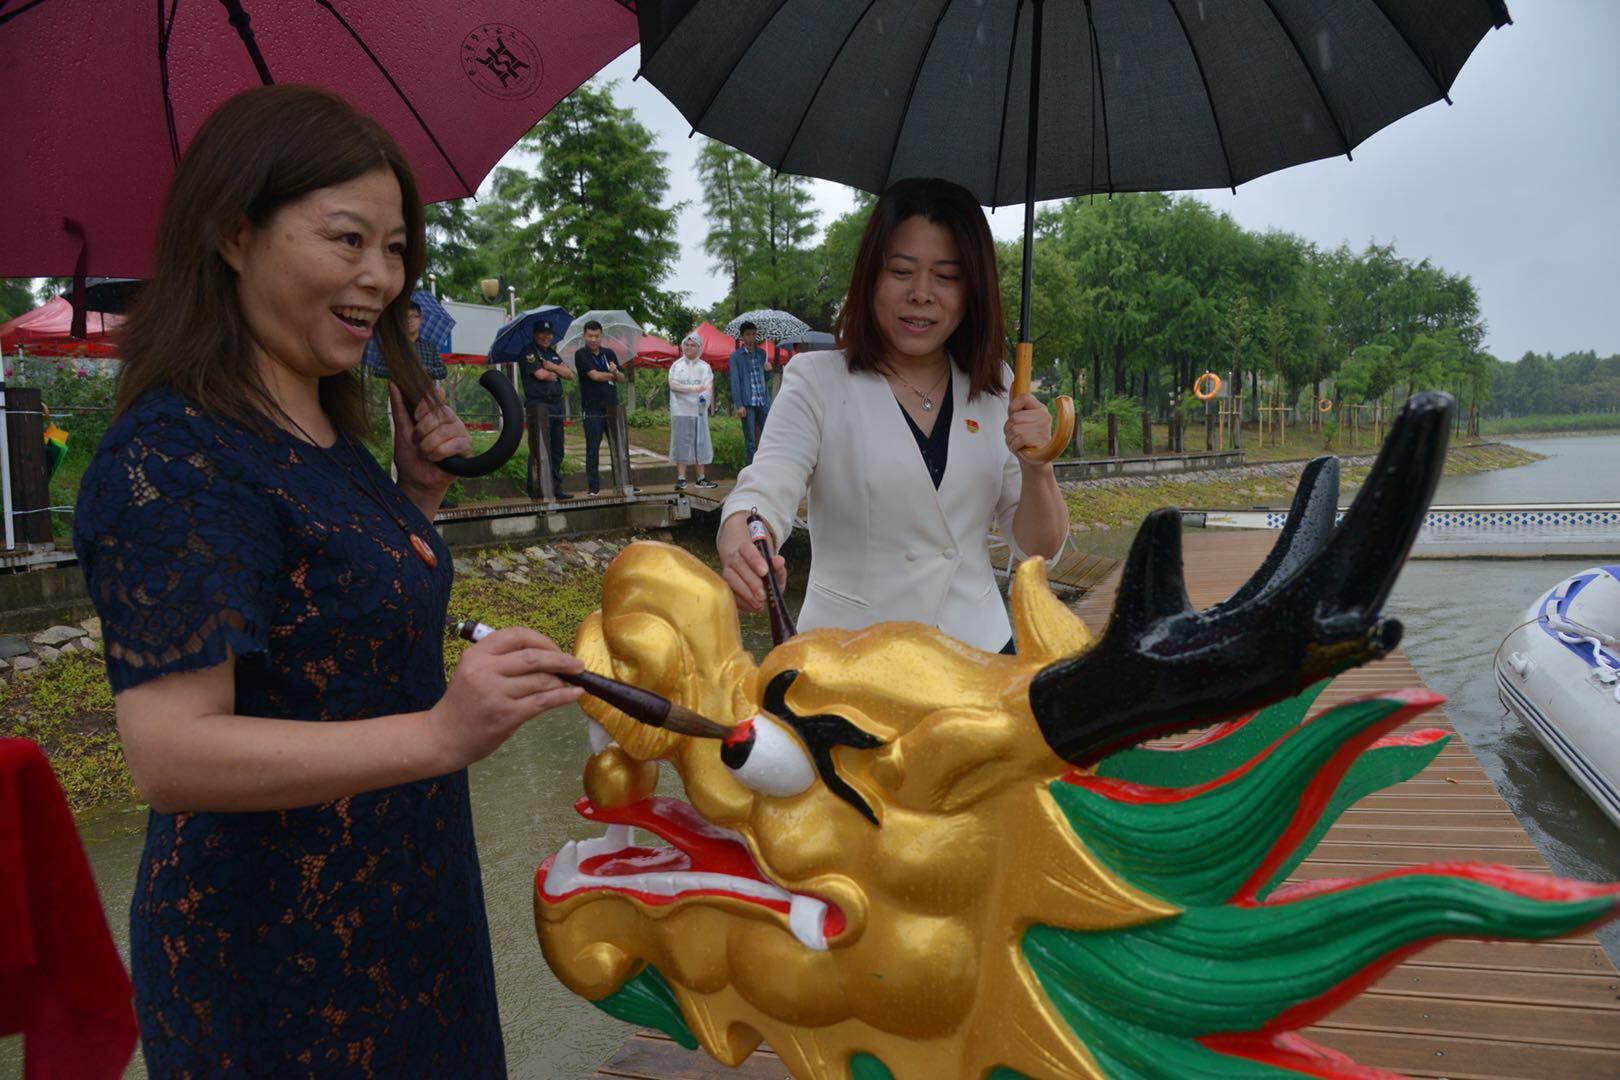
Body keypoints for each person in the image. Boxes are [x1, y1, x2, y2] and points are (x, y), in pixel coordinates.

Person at [71, 85, 584, 1075]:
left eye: (394, 249)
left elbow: (337, 629)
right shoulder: (174, 456)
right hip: (275, 957)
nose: (381, 277)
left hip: (409, 904)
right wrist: (443, 734)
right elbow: (170, 752)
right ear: (235, 234)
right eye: (347, 239)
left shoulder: (324, 430)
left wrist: (414, 496)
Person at [716, 177, 1069, 654]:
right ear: (870, 278)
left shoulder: (999, 387)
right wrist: (743, 536)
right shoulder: (817, 380)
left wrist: (1038, 466)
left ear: (973, 289)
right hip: (851, 663)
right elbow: (767, 485)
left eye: (947, 276)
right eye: (902, 271)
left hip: (981, 658)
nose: (921, 293)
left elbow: (1038, 550)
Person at [518, 320, 575, 500]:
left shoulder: (552, 353)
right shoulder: (528, 352)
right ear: (535, 334)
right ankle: (536, 489)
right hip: (538, 405)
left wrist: (552, 367)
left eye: (549, 334)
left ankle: (555, 487)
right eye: (542, 333)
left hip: (556, 405)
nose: (546, 337)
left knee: (557, 449)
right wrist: (554, 372)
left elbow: (569, 374)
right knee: (539, 448)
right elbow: (541, 375)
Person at [574, 318, 626, 495]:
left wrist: (616, 371)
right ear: (584, 336)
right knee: (593, 448)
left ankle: (623, 483)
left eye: (596, 336)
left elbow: (621, 378)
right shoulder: (581, 355)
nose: (593, 339)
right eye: (590, 336)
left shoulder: (609, 353)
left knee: (618, 447)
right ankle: (594, 488)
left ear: (601, 336)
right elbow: (594, 376)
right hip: (592, 408)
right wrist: (611, 375)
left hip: (612, 406)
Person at [667, 331, 717, 490]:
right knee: (681, 443)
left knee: (700, 443)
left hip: (698, 411)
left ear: (699, 347)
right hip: (681, 410)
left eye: (693, 345)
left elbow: (707, 388)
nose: (689, 348)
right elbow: (674, 386)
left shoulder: (704, 367)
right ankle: (681, 478)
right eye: (687, 345)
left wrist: (700, 397)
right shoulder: (677, 366)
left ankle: (701, 478)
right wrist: (694, 389)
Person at [728, 321, 772, 464]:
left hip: (763, 401)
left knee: (769, 436)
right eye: (748, 334)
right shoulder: (736, 356)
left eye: (753, 334)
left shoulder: (762, 354)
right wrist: (739, 404)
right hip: (747, 403)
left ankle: (767, 466)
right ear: (742, 336)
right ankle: (752, 470)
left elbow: (766, 379)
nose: (751, 337)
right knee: (751, 440)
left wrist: (768, 371)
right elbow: (735, 382)